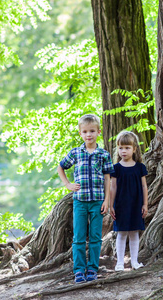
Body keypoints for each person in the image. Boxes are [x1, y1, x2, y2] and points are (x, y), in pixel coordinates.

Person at [57, 114, 114, 283]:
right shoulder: (76, 152)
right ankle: (80, 270)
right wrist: (68, 184)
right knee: (79, 236)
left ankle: (93, 269)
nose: (88, 134)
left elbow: (108, 178)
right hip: (80, 202)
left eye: (92, 131)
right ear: (80, 133)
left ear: (98, 132)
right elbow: (61, 167)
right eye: (85, 131)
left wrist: (107, 201)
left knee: (96, 236)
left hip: (97, 201)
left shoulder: (103, 154)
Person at [109, 131, 148, 271]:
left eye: (127, 148)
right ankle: (120, 263)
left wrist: (145, 204)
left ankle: (134, 262)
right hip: (120, 205)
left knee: (134, 233)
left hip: (136, 204)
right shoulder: (116, 169)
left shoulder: (140, 167)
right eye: (120, 148)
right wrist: (111, 206)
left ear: (134, 149)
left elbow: (144, 186)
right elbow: (113, 187)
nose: (123, 151)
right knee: (121, 233)